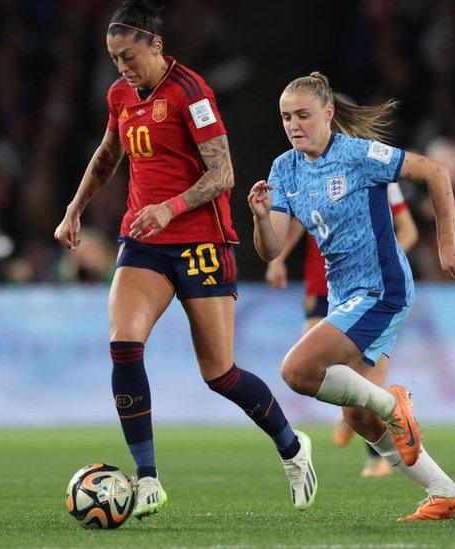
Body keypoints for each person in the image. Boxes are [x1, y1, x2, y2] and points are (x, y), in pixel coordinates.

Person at [53, 0, 316, 519]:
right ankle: (148, 478)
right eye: (114, 59)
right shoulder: (120, 96)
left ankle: (291, 445)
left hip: (200, 242)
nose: (122, 68)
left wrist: (170, 208)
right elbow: (109, 156)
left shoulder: (191, 93)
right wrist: (74, 208)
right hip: (144, 240)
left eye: (130, 56)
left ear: (156, 45)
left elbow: (224, 175)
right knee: (124, 345)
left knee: (219, 374)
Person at [248, 71, 455, 522]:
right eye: (286, 117)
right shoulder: (284, 168)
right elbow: (272, 247)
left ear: (329, 114)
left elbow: (434, 170)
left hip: (381, 289)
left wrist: (447, 243)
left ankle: (394, 404)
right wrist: (258, 218)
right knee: (357, 417)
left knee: (297, 370)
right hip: (346, 295)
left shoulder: (357, 155)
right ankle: (446, 493)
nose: (294, 124)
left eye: (303, 115)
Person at [265, 181, 418, 478]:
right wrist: (279, 258)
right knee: (315, 364)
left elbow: (408, 229)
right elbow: (297, 221)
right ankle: (349, 415)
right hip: (321, 285)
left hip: (367, 290)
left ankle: (373, 452)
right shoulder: (311, 172)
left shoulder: (378, 172)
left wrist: (385, 258)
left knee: (359, 375)